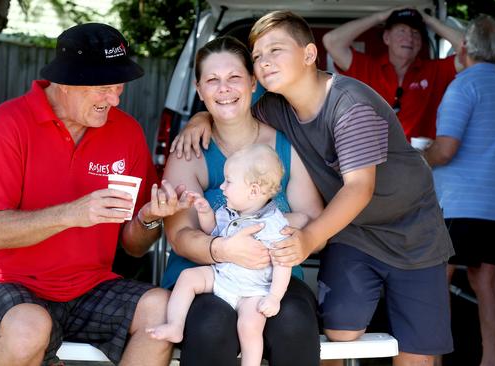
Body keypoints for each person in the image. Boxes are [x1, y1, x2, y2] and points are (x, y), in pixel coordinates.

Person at [172, 11, 455, 366]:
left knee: (417, 351)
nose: (264, 62)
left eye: (276, 50)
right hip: (352, 231)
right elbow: (231, 109)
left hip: (413, 231)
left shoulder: (350, 105)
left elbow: (358, 189)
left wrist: (307, 239)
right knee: (338, 333)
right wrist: (199, 118)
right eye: (257, 56)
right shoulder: (275, 107)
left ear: (309, 55)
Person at [0, 23, 187, 366]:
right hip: (3, 285)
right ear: (65, 83)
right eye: (104, 88)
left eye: (119, 86)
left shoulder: (126, 132)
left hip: (88, 288)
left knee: (163, 310)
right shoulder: (7, 125)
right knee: (30, 326)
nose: (115, 98)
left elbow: (134, 246)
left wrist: (149, 218)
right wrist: (72, 214)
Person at [161, 36, 324, 366]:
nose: (224, 89)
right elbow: (180, 236)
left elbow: (313, 221)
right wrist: (224, 249)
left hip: (271, 278)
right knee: (210, 325)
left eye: (234, 77)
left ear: (252, 82)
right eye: (212, 80)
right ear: (199, 88)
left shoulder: (284, 145)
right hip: (206, 274)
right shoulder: (190, 150)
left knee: (293, 320)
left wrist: (280, 243)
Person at [150, 144, 308, 366]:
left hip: (253, 290)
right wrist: (205, 214)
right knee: (188, 277)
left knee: (250, 327)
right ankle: (175, 326)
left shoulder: (273, 224)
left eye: (229, 181)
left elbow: (283, 263)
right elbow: (214, 232)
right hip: (223, 276)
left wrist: (274, 297)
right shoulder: (228, 211)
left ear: (253, 190)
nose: (222, 187)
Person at [424, 15, 495, 366]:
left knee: (438, 283)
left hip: (457, 205)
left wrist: (417, 157)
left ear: (463, 48)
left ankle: (433, 361)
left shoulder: (463, 86)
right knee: (488, 285)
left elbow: (446, 149)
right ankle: (492, 361)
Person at [322, 7, 463, 139]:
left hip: (420, 161)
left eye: (415, 33)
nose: (409, 38)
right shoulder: (368, 68)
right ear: (386, 37)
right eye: (402, 30)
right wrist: (380, 16)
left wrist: (428, 19)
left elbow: (469, 50)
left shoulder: (435, 70)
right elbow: (331, 41)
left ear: (421, 42)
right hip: (374, 161)